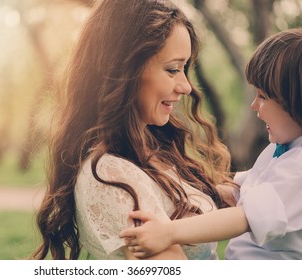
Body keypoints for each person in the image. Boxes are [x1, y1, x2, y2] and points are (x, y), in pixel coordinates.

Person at [31, 0, 237, 260]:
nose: (186, 86)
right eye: (172, 69)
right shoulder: (111, 175)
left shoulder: (151, 151)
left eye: (184, 69)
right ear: (125, 69)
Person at [119, 28, 302, 260]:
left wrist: (169, 232)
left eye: (263, 97)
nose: (254, 105)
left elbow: (243, 217)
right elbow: (237, 191)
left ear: (296, 101)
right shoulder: (283, 151)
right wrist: (180, 190)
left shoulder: (298, 169)